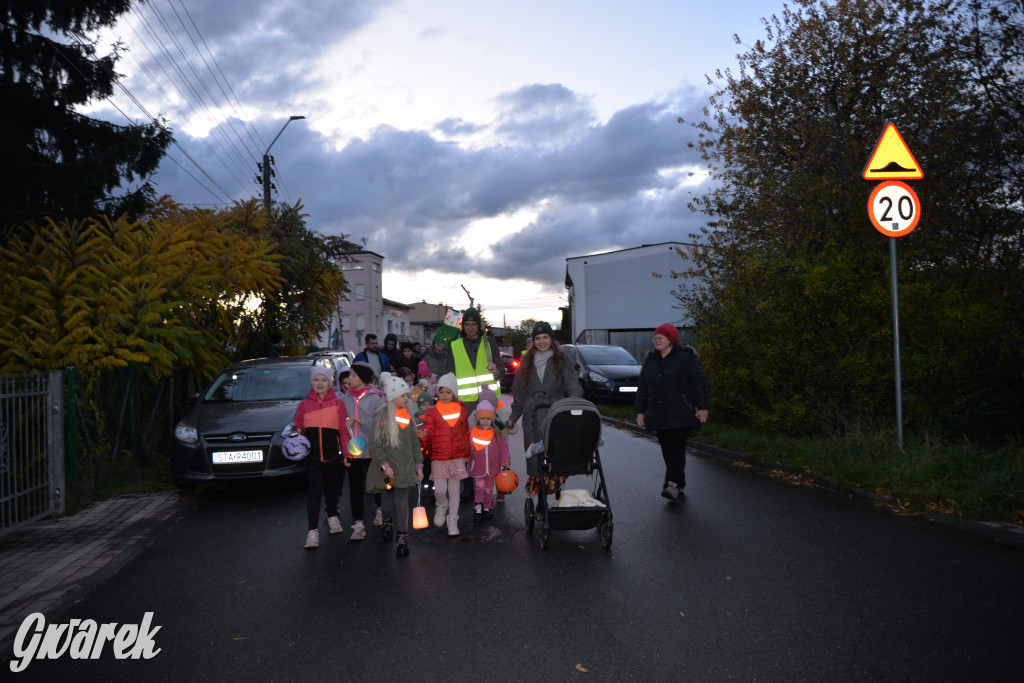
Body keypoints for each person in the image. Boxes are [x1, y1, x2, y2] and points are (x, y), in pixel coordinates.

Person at [506, 321, 582, 501]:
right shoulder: (527, 360)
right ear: (533, 341)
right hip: (532, 412)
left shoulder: (561, 358)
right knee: (536, 456)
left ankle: (558, 490)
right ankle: (541, 498)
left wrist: (575, 405)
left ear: (551, 339)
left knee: (556, 452)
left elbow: (572, 384)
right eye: (538, 338)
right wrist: (513, 417)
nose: (541, 342)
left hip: (555, 411)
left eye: (545, 337)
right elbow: (519, 391)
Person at [634, 323, 709, 502]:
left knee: (676, 448)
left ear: (671, 339)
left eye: (661, 337)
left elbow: (698, 384)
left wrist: (703, 407)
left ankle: (672, 484)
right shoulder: (651, 360)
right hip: (658, 413)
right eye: (655, 338)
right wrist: (640, 411)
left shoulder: (685, 358)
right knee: (667, 449)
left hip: (681, 411)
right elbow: (643, 388)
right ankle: (679, 482)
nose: (657, 340)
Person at [293, 366, 350, 549]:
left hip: (333, 457)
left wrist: (347, 453)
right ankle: (312, 531)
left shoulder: (338, 404)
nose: (320, 383)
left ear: (330, 383)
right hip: (313, 458)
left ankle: (332, 516)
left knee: (332, 491)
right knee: (314, 493)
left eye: (323, 380)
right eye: (316, 380)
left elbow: (343, 431)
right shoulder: (303, 405)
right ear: (311, 383)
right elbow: (298, 427)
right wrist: (296, 434)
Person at [366, 374, 424, 556]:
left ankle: (402, 537)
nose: (407, 398)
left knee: (402, 504)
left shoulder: (409, 419)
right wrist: (385, 464)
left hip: (404, 469)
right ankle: (387, 522)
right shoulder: (382, 419)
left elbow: (415, 444)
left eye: (407, 395)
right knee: (387, 504)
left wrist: (419, 465)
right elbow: (374, 445)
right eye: (402, 395)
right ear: (392, 397)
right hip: (387, 471)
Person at [417, 373, 470, 536]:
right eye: (441, 392)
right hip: (439, 457)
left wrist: (467, 452)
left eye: (448, 392)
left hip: (457, 457)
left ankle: (453, 521)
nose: (445, 395)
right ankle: (441, 505)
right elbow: (429, 428)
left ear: (454, 393)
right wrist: (424, 434)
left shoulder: (462, 410)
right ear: (437, 393)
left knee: (454, 491)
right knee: (439, 490)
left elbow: (465, 433)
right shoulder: (433, 411)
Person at [338, 362, 385, 539]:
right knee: (355, 488)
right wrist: (346, 425)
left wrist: (361, 422)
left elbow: (381, 425)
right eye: (349, 375)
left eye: (354, 375)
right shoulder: (344, 400)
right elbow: (340, 425)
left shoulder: (375, 399)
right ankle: (358, 524)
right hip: (353, 452)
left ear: (363, 379)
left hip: (372, 450)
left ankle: (380, 511)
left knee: (377, 484)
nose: (349, 378)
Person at [446, 307, 503, 410]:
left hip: (489, 400)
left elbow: (501, 370)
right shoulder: (454, 346)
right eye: (467, 324)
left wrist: (496, 372)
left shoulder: (490, 343)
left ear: (479, 326)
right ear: (463, 326)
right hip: (465, 403)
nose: (470, 328)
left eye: (474, 324)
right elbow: (450, 375)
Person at [467, 400, 510, 523]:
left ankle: (487, 508)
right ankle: (478, 509)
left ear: (492, 419)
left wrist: (505, 459)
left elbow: (503, 449)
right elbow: (467, 447)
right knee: (480, 488)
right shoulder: (472, 433)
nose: (485, 421)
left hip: (492, 467)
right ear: (478, 419)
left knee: (489, 489)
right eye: (482, 418)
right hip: (478, 467)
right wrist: (466, 455)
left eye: (488, 418)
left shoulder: (497, 433)